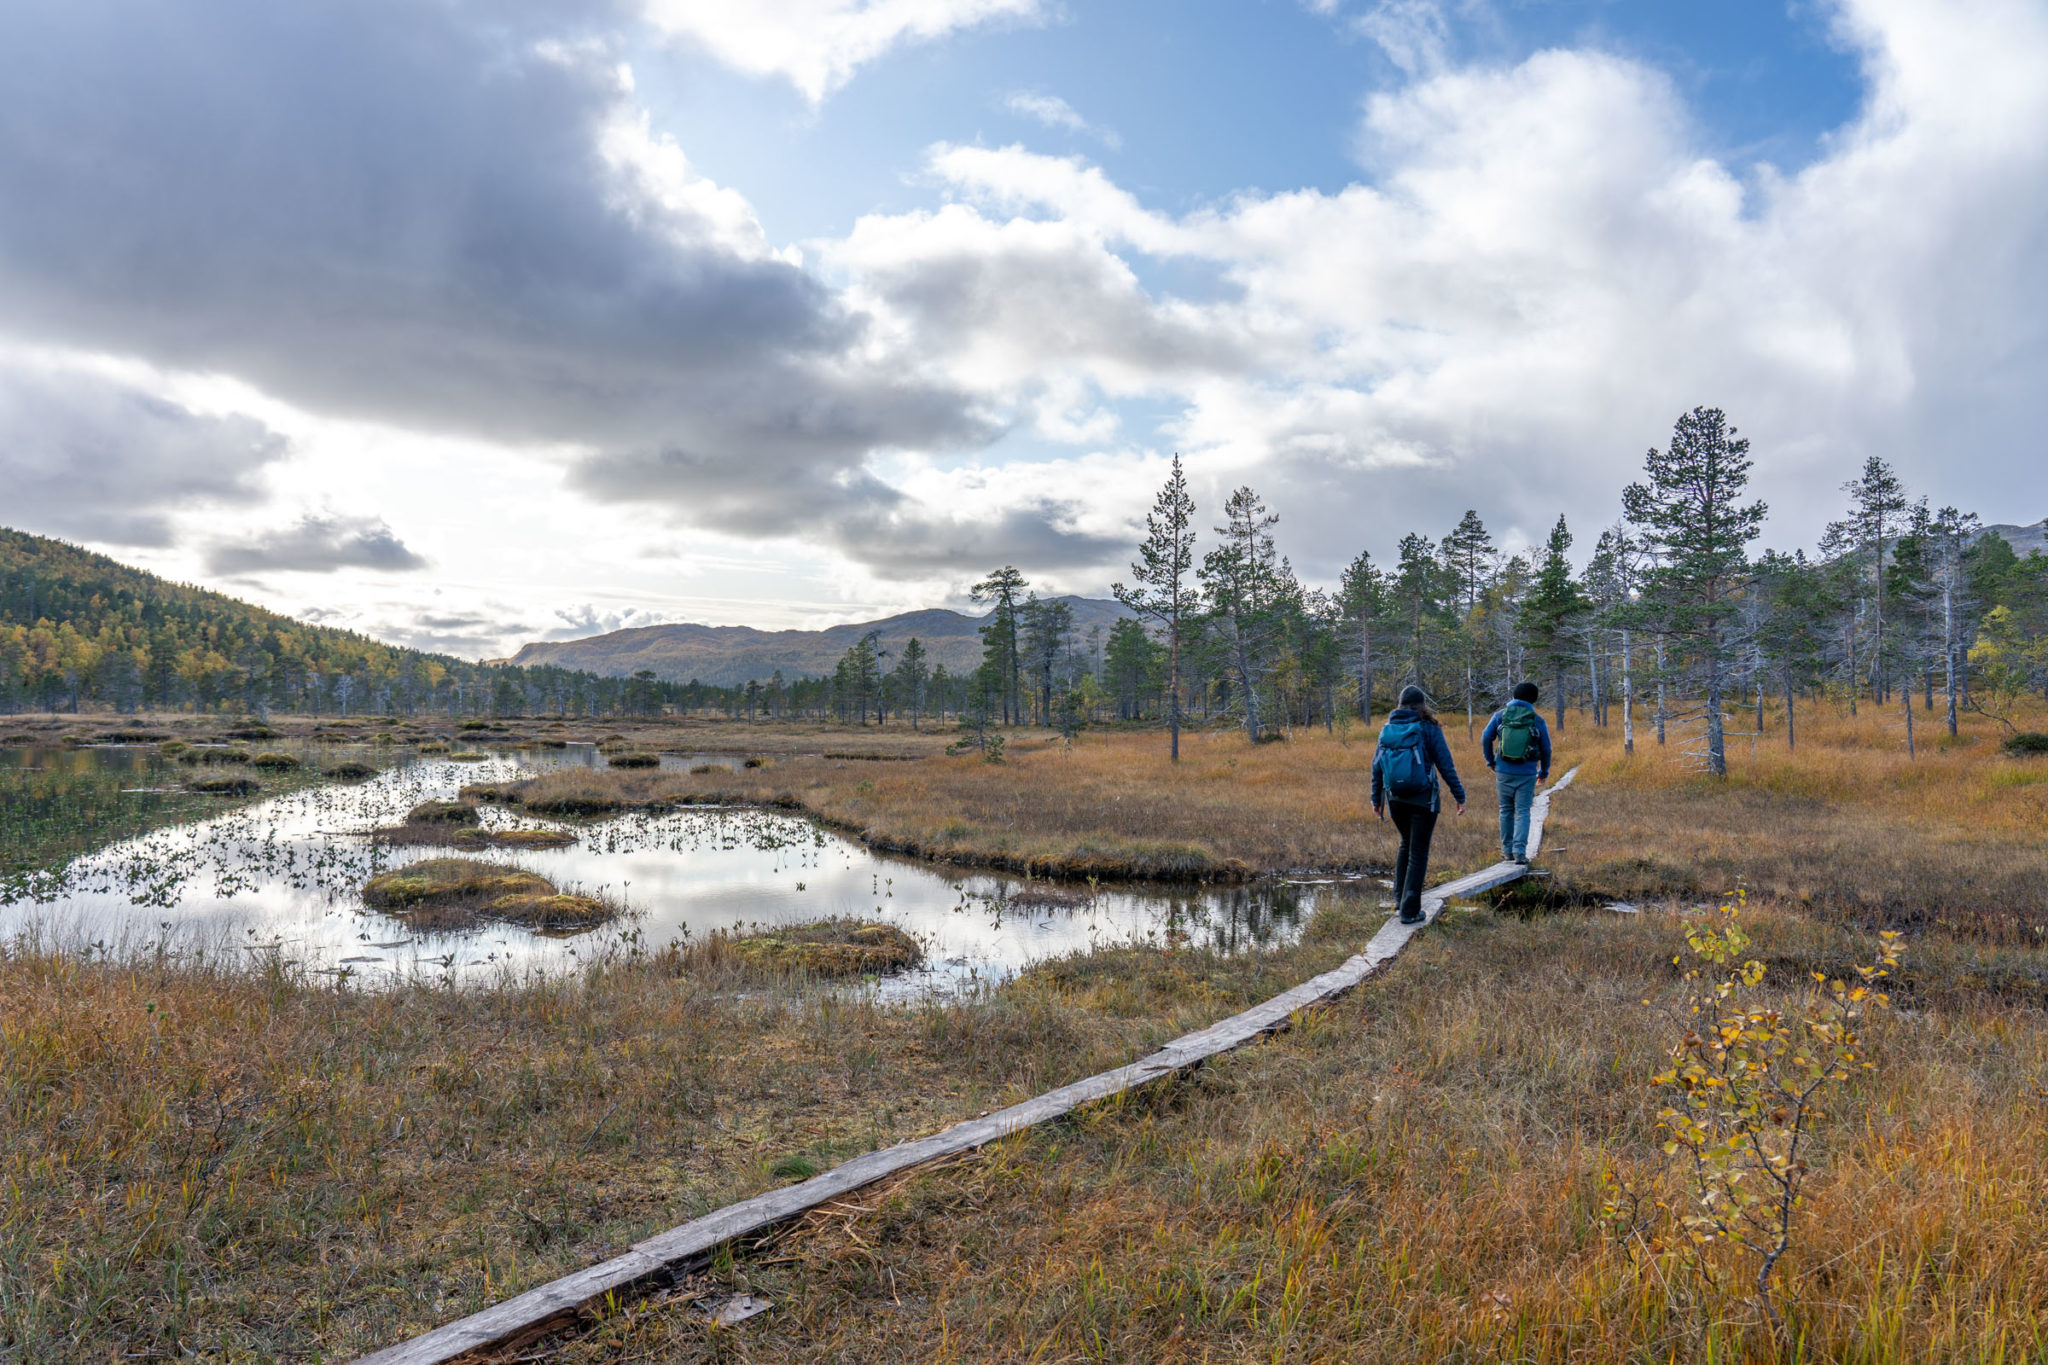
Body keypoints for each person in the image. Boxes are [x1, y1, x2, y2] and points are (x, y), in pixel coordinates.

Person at [1370, 685, 1466, 925]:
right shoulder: (1428, 728)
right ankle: (1410, 911)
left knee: (1406, 844)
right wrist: (1459, 795)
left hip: (1395, 799)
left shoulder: (1388, 729)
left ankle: (1398, 899)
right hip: (1424, 799)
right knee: (1418, 852)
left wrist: (1376, 800)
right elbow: (1445, 764)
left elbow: (1377, 767)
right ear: (1422, 704)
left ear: (1400, 704)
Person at [1481, 681, 1552, 864]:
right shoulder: (1537, 720)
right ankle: (1520, 852)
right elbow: (1546, 749)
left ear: (1513, 696)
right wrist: (1543, 772)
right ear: (1534, 699)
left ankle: (1507, 851)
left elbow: (1486, 737)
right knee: (1523, 811)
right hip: (1527, 773)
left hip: (1503, 770)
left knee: (1505, 810)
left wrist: (1491, 761)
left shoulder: (1500, 716)